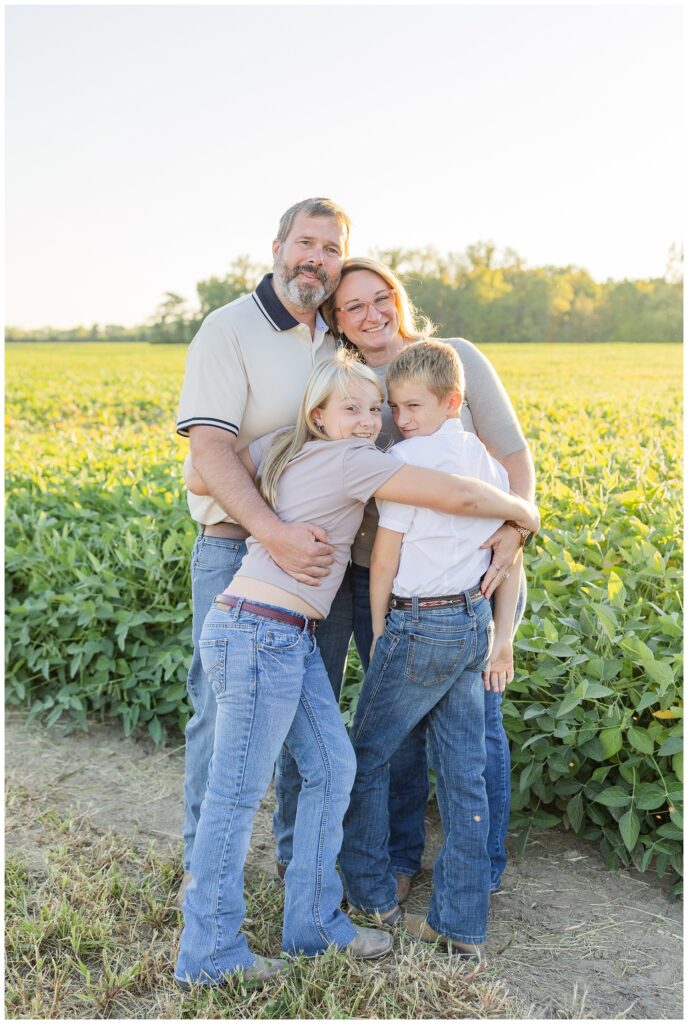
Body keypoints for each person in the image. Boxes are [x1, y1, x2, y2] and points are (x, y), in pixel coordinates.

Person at [174, 352, 539, 986]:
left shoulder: (286, 449)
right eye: (353, 408)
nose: (370, 421)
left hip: (282, 637)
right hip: (259, 635)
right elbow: (453, 494)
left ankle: (314, 927)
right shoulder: (352, 459)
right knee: (235, 796)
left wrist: (283, 459)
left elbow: (200, 474)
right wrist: (524, 514)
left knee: (335, 766)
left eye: (376, 409)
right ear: (318, 414)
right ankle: (207, 949)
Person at [275, 257, 534, 899]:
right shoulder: (347, 378)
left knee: (479, 726)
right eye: (352, 307)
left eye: (379, 297)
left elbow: (513, 455)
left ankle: (481, 869)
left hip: (474, 571)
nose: (371, 314)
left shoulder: (454, 358)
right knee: (398, 725)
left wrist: (515, 527)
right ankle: (393, 855)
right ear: (337, 321)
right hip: (375, 574)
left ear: (398, 296)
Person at [175, 198, 356, 908]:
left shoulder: (336, 342)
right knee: (219, 715)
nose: (316, 257)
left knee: (309, 719)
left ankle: (294, 870)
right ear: (278, 245)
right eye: (305, 242)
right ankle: (203, 878)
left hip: (320, 563)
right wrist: (271, 531)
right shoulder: (229, 328)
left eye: (331, 248)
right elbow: (209, 451)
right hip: (235, 551)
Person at [339, 340, 523, 968]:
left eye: (413, 405)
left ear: (453, 401)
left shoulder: (403, 462)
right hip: (471, 621)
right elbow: (508, 551)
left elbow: (384, 557)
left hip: (419, 625)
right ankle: (462, 924)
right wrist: (503, 636)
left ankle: (370, 897)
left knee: (365, 755)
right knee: (464, 773)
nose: (402, 417)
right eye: (395, 407)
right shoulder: (484, 461)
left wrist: (382, 626)